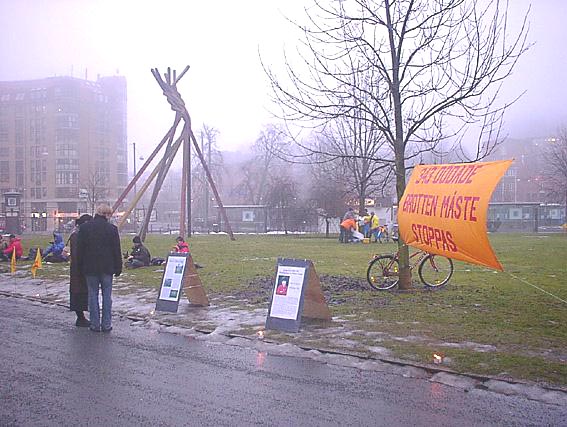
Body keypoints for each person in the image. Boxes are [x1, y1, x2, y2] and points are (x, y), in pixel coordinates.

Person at [77, 204, 122, 332]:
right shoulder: (112, 229)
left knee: (92, 295)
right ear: (107, 215)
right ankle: (106, 324)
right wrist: (118, 266)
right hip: (107, 267)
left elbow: (80, 250)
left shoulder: (85, 228)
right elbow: (116, 250)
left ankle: (95, 324)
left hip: (90, 267)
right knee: (107, 296)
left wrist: (80, 267)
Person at [69, 214, 92, 327]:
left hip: (78, 268)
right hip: (79, 269)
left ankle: (81, 316)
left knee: (80, 291)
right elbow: (77, 253)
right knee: (78, 292)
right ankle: (80, 317)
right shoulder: (77, 236)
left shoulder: (77, 234)